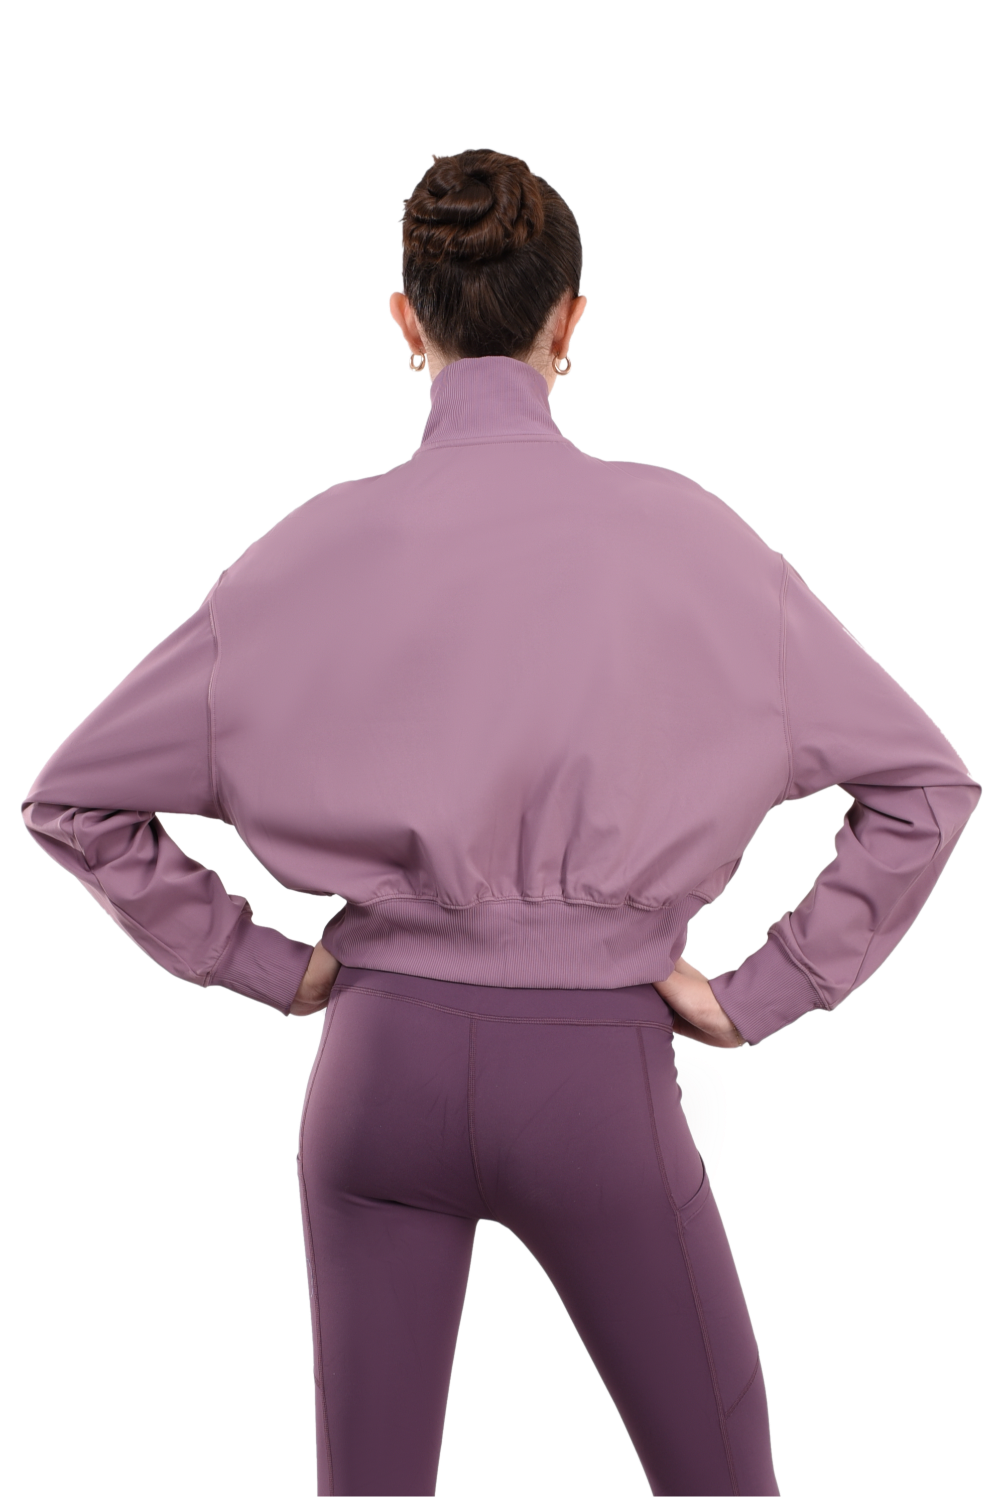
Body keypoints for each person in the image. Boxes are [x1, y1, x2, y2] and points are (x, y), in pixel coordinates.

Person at [19, 147, 982, 1496]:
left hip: (376, 1071)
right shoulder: (695, 537)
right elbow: (926, 785)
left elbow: (70, 794)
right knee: (721, 1477)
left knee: (371, 1486)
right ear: (572, 319)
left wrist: (266, 963)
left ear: (405, 321)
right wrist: (764, 991)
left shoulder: (305, 550)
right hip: (597, 1075)